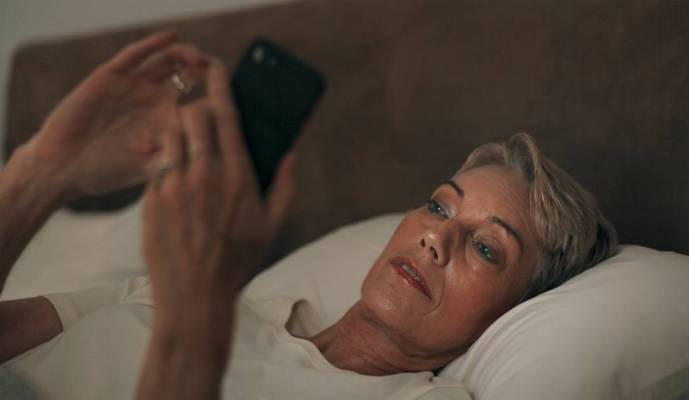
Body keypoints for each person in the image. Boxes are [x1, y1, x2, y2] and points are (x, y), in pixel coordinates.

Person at [0, 32, 617, 399]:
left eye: (486, 248)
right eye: (438, 206)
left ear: (515, 312)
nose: (436, 237)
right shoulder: (192, 301)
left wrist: (193, 319)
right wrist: (42, 173)